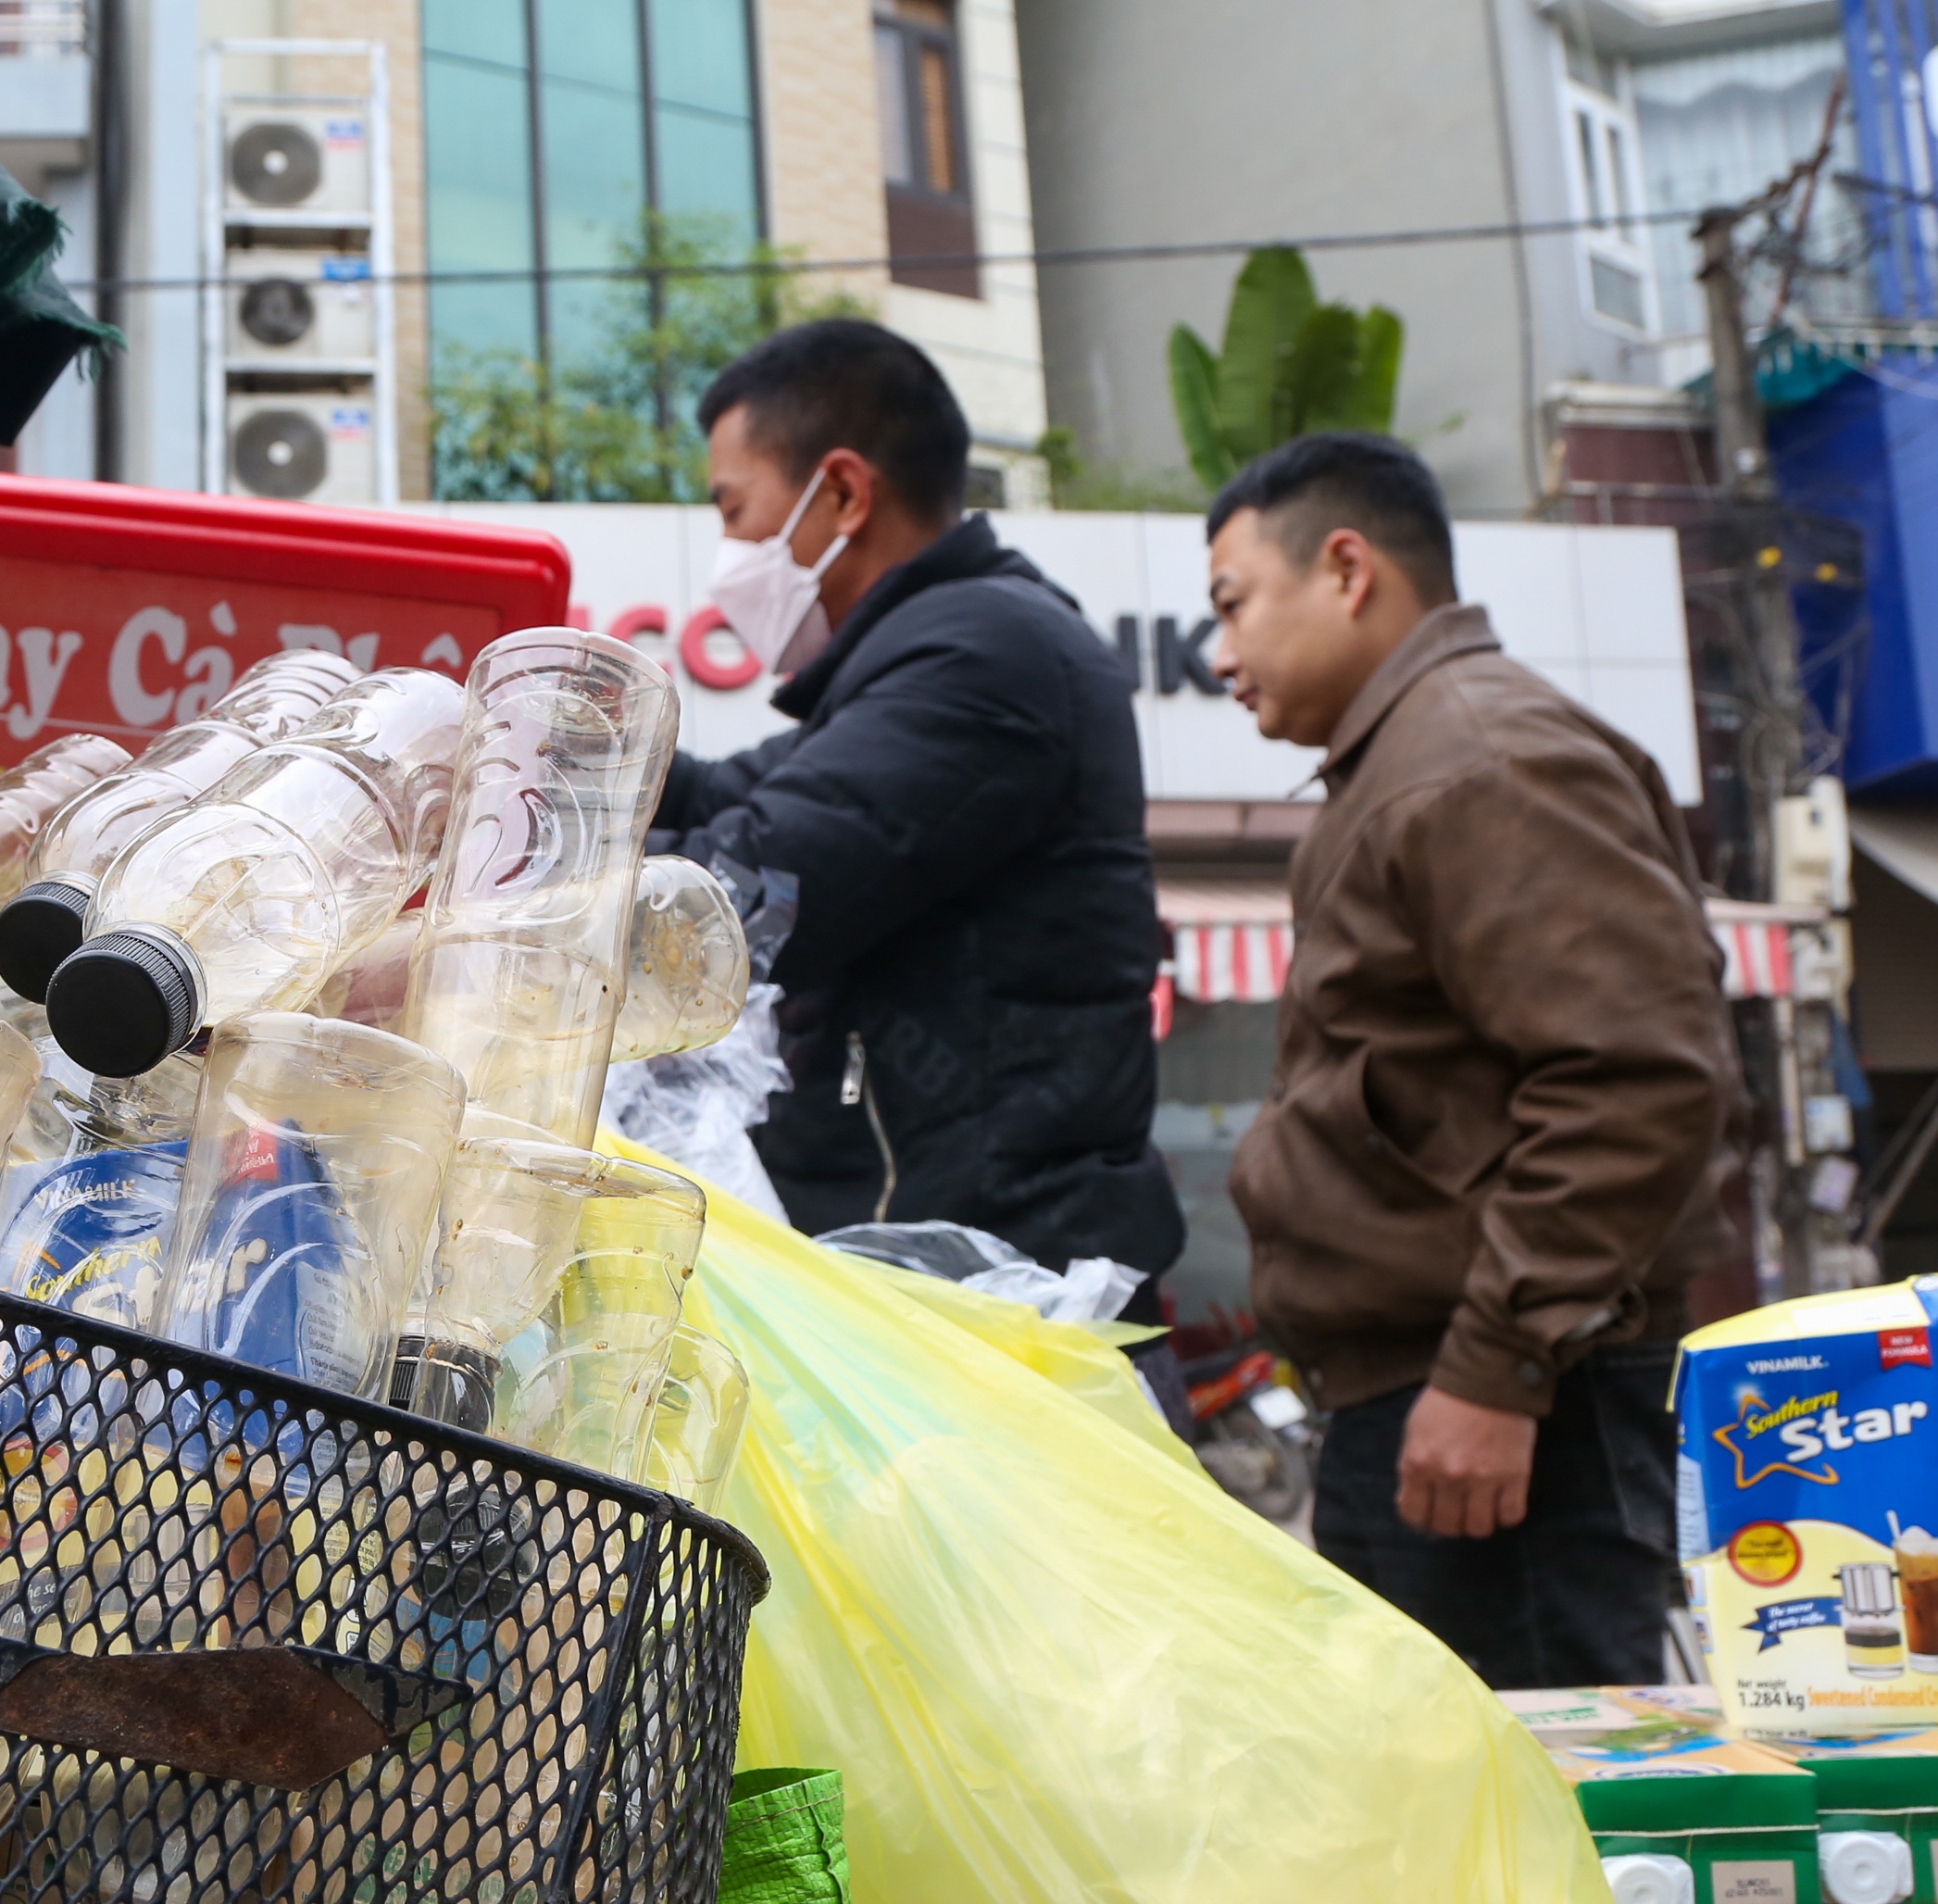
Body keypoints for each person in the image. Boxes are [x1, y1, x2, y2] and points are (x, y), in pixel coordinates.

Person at [1208, 433, 1740, 1689]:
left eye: (1232, 606)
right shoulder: (1408, 762)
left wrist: (1494, 1371)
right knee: (1443, 1836)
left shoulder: (1477, 760)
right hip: (1434, 1395)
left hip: (1507, 1411)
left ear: (1345, 568)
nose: (1219, 656)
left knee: (1542, 1840)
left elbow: (1635, 1077)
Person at [648, 318, 1183, 1284]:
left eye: (733, 510)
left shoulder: (983, 654)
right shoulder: (923, 655)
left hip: (999, 1297)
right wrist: (557, 751)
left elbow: (759, 886)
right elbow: (736, 792)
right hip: (944, 1271)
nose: (727, 550)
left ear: (844, 491)